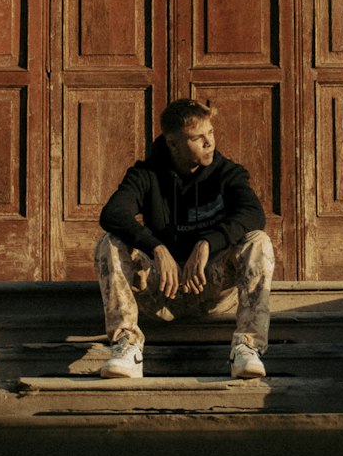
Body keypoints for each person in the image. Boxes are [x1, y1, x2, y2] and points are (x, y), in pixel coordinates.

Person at [94, 99, 274, 380]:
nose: (209, 143)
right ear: (173, 143)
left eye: (211, 133)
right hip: (161, 290)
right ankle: (126, 346)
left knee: (258, 240)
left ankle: (247, 347)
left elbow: (253, 213)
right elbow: (113, 213)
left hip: (210, 286)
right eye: (197, 137)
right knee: (110, 242)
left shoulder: (226, 172)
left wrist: (207, 244)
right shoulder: (146, 174)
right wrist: (156, 248)